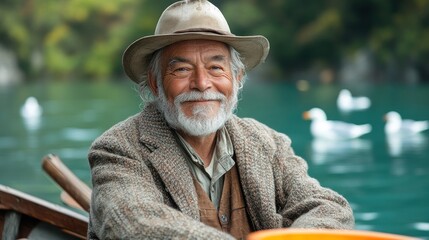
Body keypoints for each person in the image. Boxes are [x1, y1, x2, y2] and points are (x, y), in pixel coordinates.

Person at [87, 0, 354, 239]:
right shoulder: (118, 148)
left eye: (216, 67)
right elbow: (135, 225)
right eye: (181, 69)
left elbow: (329, 208)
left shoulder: (268, 142)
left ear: (236, 80)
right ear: (156, 84)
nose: (202, 84)